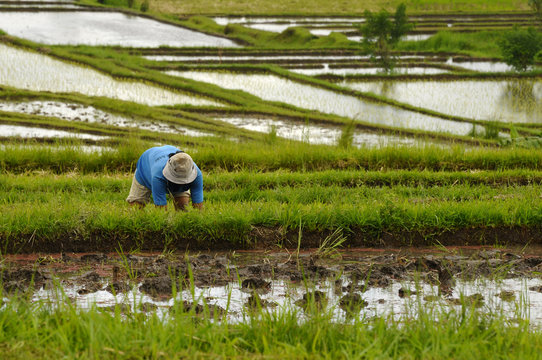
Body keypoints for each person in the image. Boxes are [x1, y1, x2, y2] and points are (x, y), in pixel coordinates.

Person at [126, 145, 203, 211]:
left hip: (169, 162)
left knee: (183, 208)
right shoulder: (158, 176)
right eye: (178, 180)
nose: (179, 182)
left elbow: (198, 204)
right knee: (136, 208)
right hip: (146, 168)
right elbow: (161, 209)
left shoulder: (195, 173)